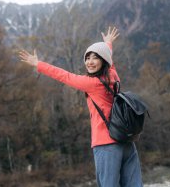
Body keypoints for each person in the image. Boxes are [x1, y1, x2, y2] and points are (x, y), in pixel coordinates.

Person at [18, 27, 143, 187]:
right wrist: (108, 44)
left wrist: (38, 64)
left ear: (103, 60)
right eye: (87, 58)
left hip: (106, 143)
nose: (89, 62)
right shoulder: (113, 76)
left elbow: (64, 76)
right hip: (126, 141)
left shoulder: (91, 83)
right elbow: (109, 61)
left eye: (95, 58)